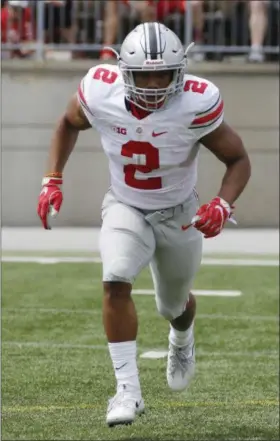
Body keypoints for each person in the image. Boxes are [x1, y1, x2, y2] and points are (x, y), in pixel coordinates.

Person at [37, 22, 251, 426]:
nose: (154, 85)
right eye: (143, 75)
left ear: (180, 71)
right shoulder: (100, 91)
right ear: (123, 72)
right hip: (125, 205)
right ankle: (127, 392)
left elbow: (238, 159)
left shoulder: (196, 102)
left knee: (173, 304)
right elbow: (67, 122)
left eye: (163, 74)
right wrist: (52, 178)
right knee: (116, 277)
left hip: (179, 212)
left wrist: (223, 203)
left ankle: (182, 339)